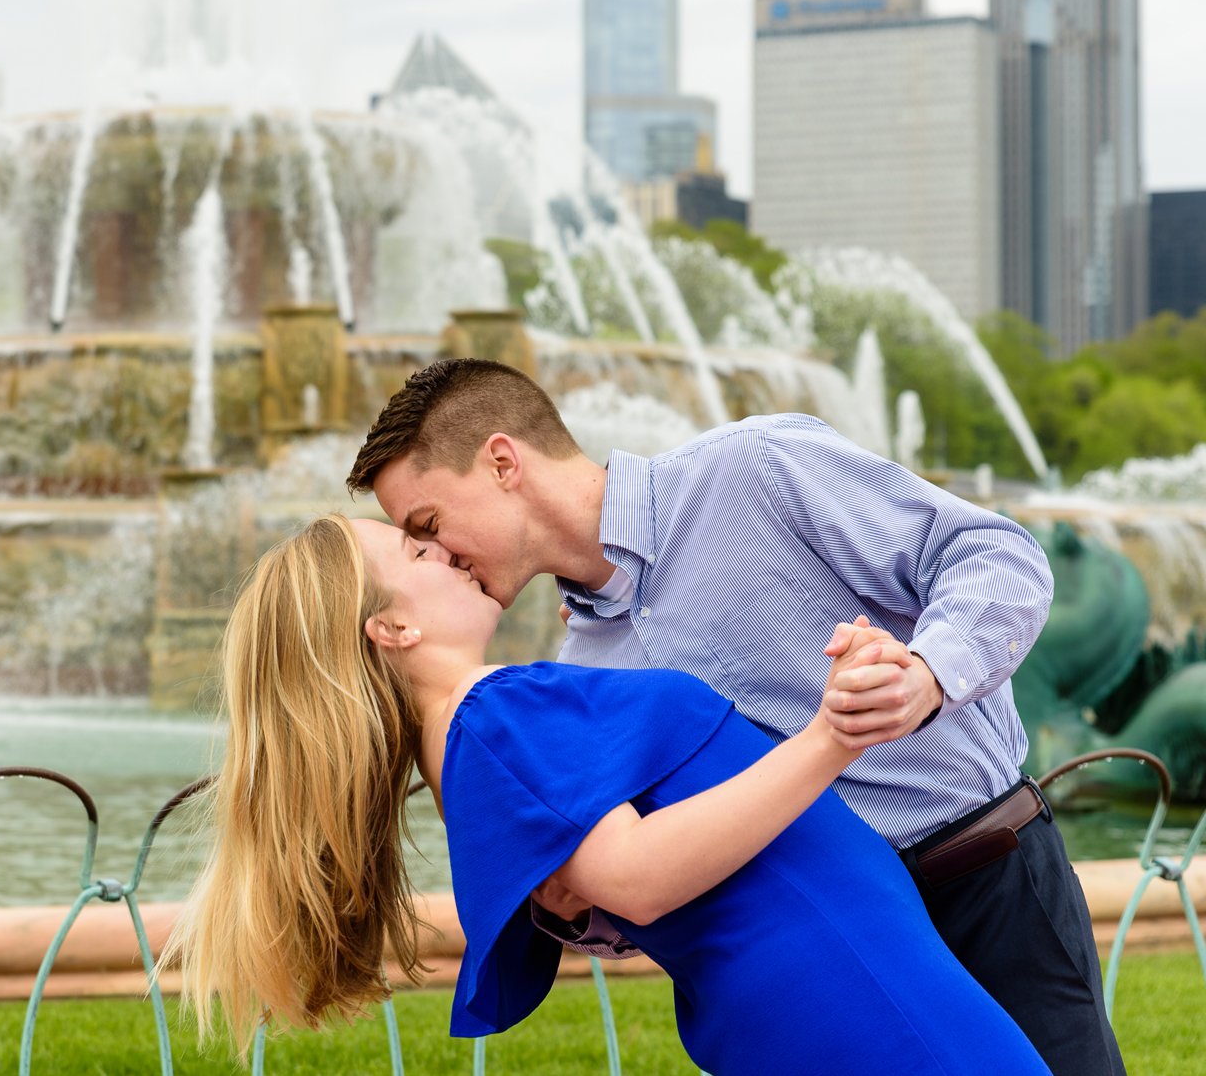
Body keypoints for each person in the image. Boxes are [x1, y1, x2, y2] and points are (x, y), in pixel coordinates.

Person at [344, 358, 1121, 1076]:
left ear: (503, 462)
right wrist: (576, 908)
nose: (436, 554)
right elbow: (663, 873)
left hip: (985, 881)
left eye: (427, 523)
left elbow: (995, 552)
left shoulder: (756, 467)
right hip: (825, 972)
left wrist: (928, 673)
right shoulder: (575, 671)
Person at [169, 513, 1050, 1076]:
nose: (441, 546)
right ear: (393, 626)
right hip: (861, 1005)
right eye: (415, 548)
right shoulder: (489, 716)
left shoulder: (487, 726)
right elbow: (634, 877)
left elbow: (601, 883)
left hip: (837, 994)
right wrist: (832, 735)